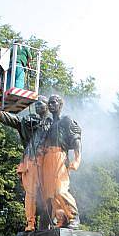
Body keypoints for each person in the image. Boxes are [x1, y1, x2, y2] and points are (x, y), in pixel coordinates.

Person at [0, 97, 52, 231]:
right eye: (36, 104)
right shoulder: (28, 121)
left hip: (49, 163)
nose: (37, 106)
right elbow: (14, 120)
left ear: (47, 106)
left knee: (51, 194)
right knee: (31, 193)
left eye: (40, 104)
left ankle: (50, 222)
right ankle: (30, 223)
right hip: (32, 160)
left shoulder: (54, 123)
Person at [39, 94, 81, 228]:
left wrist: (77, 159)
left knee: (60, 190)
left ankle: (73, 216)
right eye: (49, 103)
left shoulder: (66, 120)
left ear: (60, 105)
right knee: (50, 194)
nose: (51, 105)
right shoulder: (49, 124)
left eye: (54, 103)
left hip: (59, 156)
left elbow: (76, 140)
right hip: (47, 158)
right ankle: (61, 219)